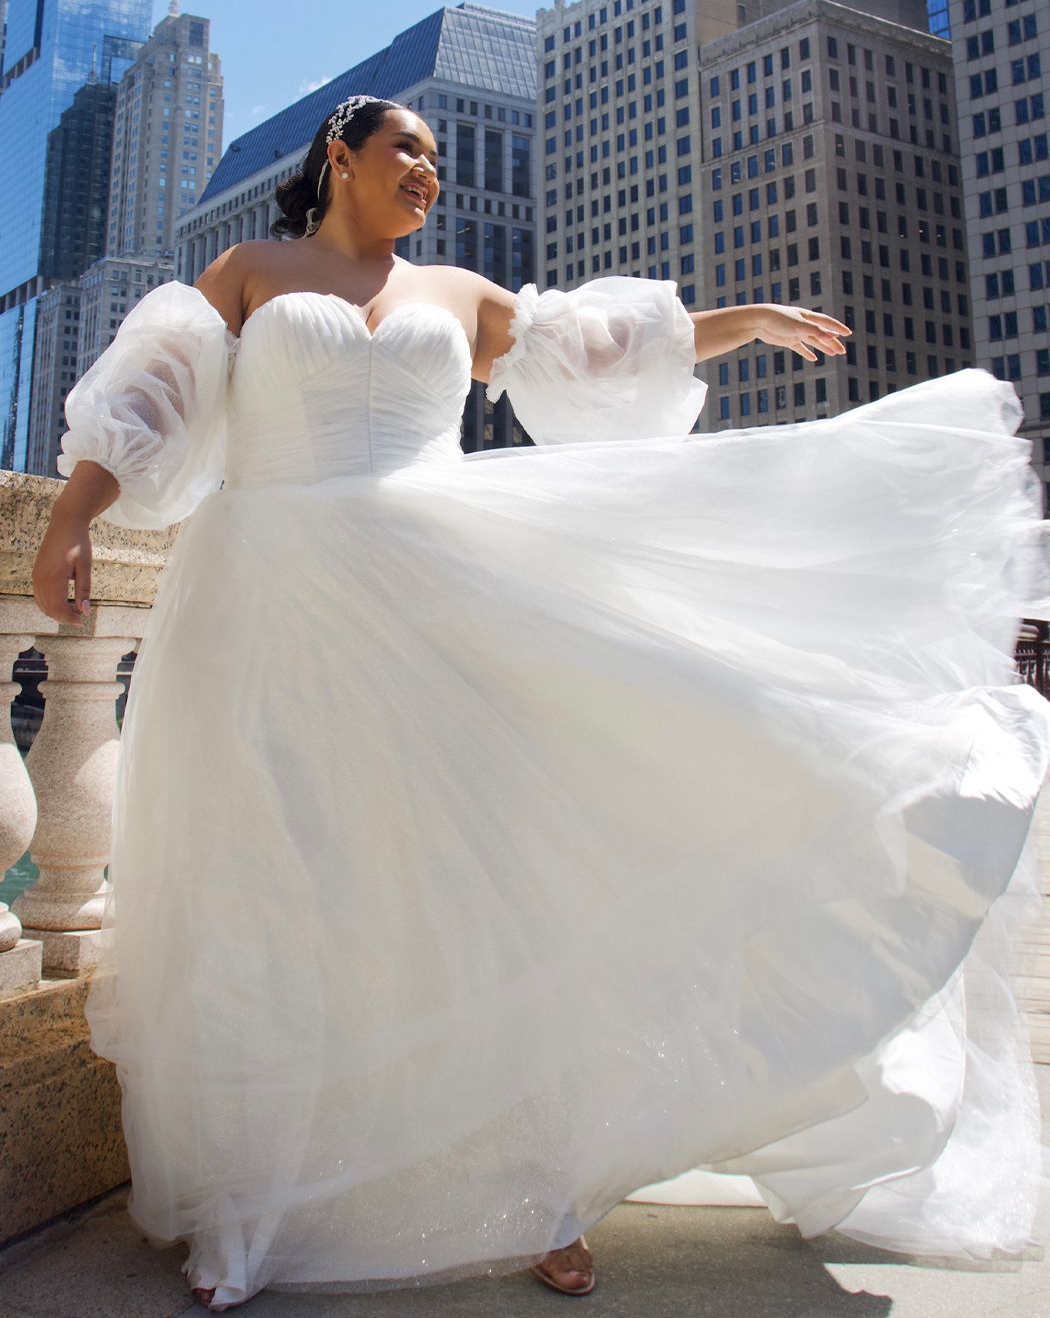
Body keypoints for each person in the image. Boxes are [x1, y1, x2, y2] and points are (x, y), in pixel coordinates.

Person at [32, 94, 1049, 1309]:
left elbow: (607, 355)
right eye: (408, 149)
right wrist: (72, 516)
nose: (429, 172)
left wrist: (746, 320)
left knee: (474, 884)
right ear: (339, 156)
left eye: (440, 160)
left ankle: (538, 1191)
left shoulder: (459, 293)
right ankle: (257, 1204)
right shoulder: (249, 270)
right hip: (269, 603)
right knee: (283, 883)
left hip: (437, 599)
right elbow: (152, 399)